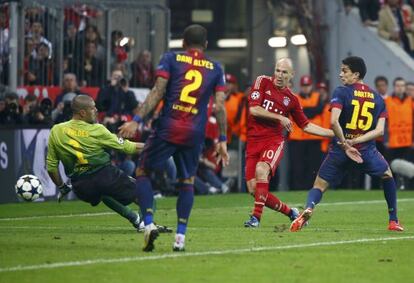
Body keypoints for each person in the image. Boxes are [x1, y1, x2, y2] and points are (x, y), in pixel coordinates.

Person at [118, 24, 229, 252]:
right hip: (194, 133)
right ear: (205, 45)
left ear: (183, 44)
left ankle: (148, 224)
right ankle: (180, 237)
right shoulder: (216, 67)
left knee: (142, 171)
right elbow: (219, 106)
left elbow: (157, 91)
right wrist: (223, 139)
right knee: (187, 181)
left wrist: (136, 120)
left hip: (169, 127)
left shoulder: (171, 58)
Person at [290, 56, 404, 232]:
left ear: (356, 74)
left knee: (319, 185)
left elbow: (334, 122)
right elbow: (380, 131)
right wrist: (356, 140)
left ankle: (309, 208)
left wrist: (345, 143)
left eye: (345, 71)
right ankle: (393, 220)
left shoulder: (341, 92)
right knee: (387, 176)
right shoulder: (377, 98)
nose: (341, 74)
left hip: (340, 149)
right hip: (365, 150)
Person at [46, 95, 170, 235]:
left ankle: (135, 219)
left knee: (104, 194)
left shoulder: (56, 131)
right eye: (93, 107)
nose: (96, 110)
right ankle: (147, 225)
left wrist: (62, 187)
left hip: (81, 186)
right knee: (146, 195)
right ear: (82, 113)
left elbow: (51, 167)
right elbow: (128, 147)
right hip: (104, 176)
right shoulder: (97, 130)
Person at [243, 58, 335, 228]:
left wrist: (333, 133)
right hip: (253, 141)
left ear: (291, 75)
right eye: (277, 70)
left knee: (261, 169)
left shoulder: (291, 99)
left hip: (273, 140)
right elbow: (254, 109)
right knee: (254, 190)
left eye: (284, 72)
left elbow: (306, 125)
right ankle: (290, 212)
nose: (279, 75)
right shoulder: (262, 81)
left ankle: (255, 218)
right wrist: (280, 117)